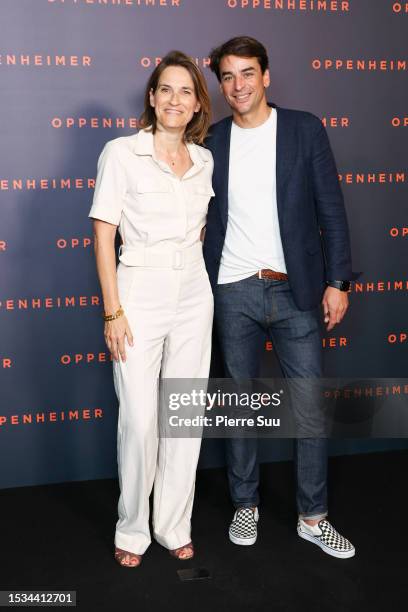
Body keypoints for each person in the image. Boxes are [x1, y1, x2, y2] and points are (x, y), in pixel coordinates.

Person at [203, 36, 355, 559]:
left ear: (266, 76)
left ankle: (313, 517)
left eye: (247, 73)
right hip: (233, 290)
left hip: (296, 289)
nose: (238, 85)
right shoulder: (211, 140)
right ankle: (245, 504)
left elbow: (330, 210)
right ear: (219, 85)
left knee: (309, 406)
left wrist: (338, 282)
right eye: (227, 76)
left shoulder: (304, 129)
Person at [88, 51, 214, 568]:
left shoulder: (204, 159)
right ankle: (133, 527)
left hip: (194, 291)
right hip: (137, 289)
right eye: (166, 89)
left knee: (182, 416)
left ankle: (172, 525)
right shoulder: (121, 152)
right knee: (140, 420)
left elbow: (202, 231)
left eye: (186, 91)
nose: (175, 100)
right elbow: (103, 232)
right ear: (152, 96)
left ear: (196, 103)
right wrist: (113, 311)